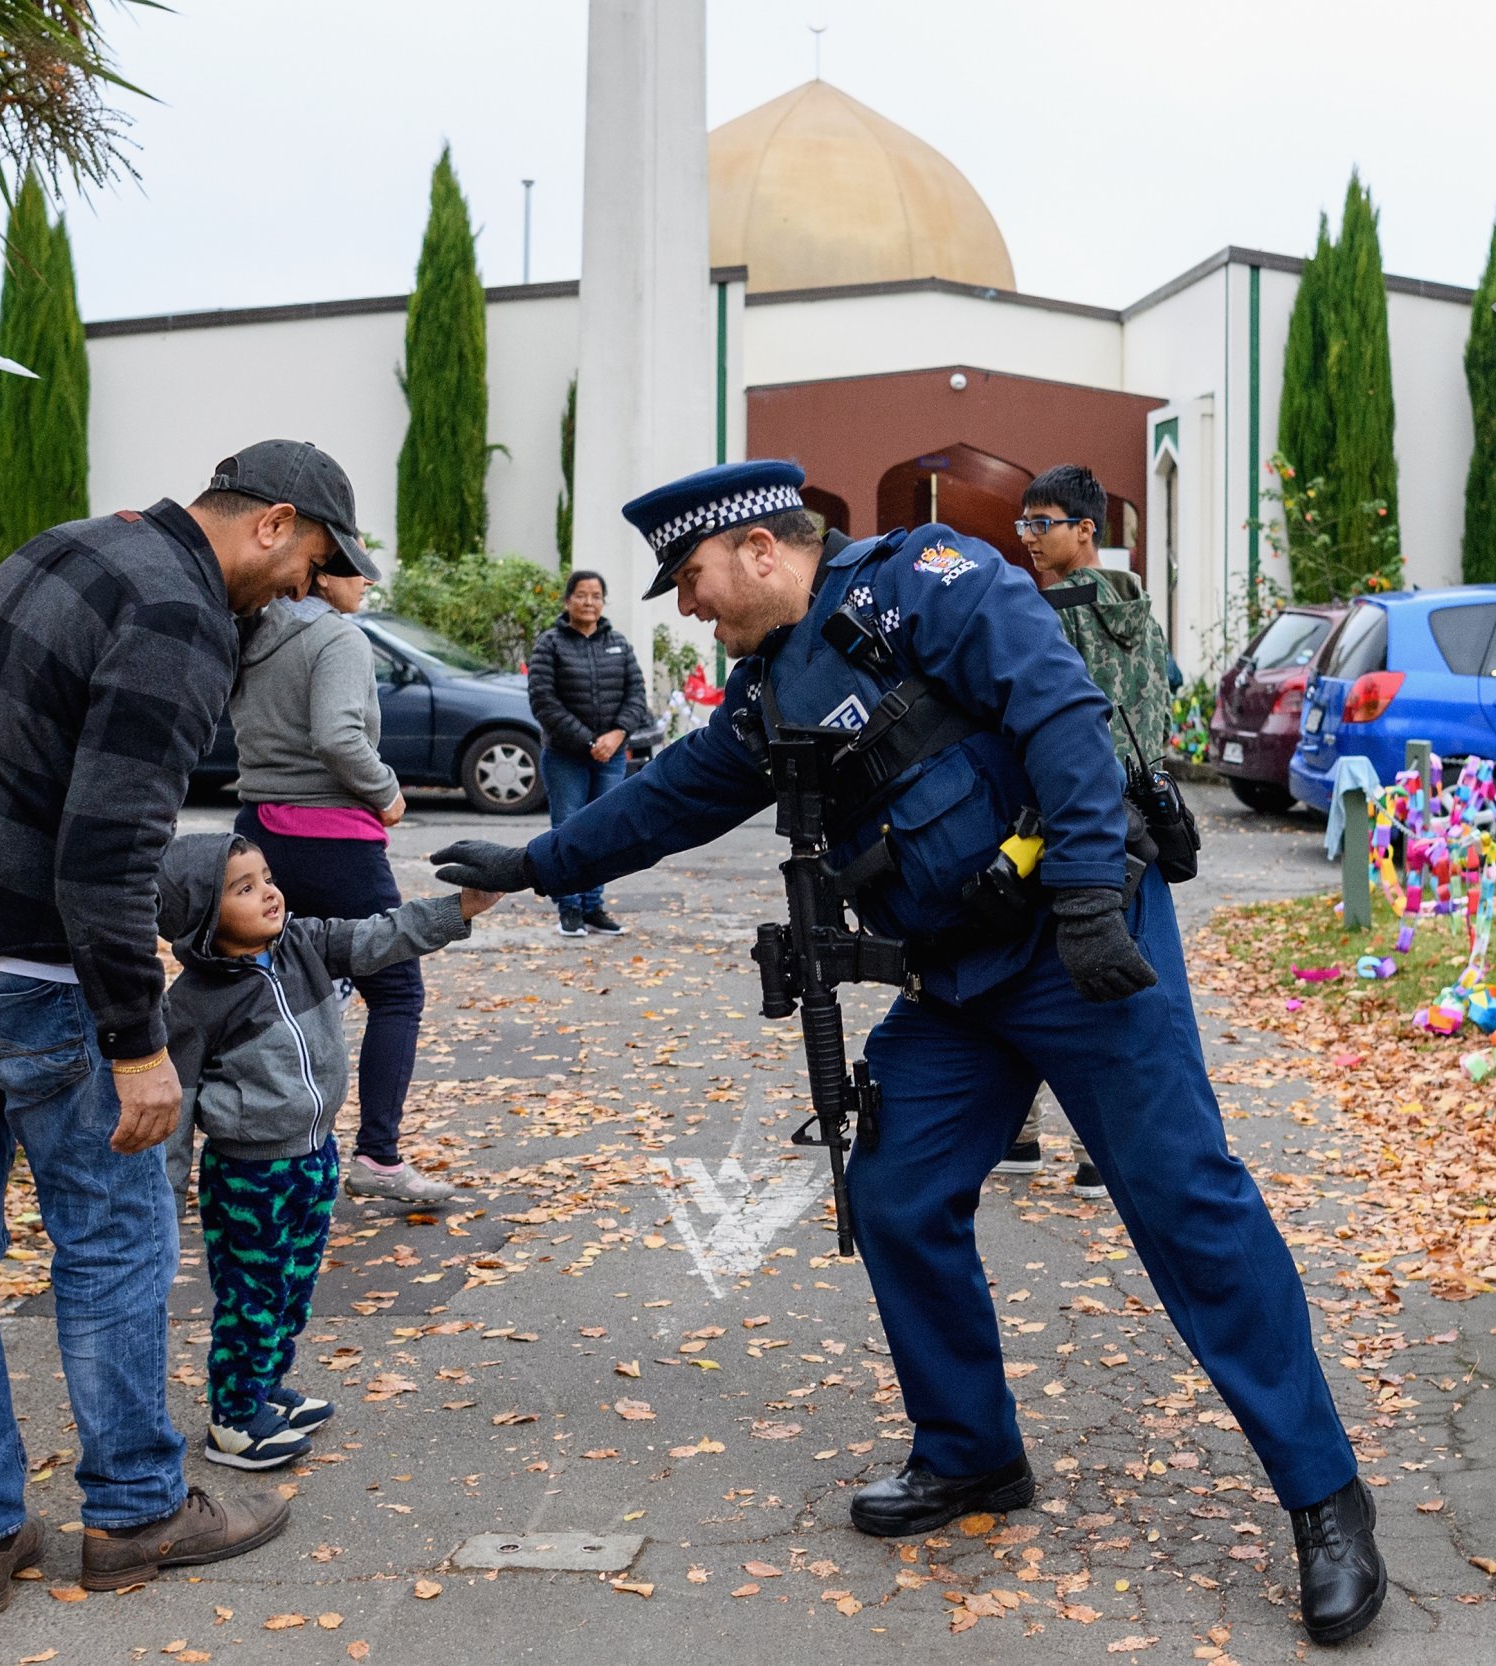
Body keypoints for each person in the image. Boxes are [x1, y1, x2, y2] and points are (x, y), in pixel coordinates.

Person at [429, 461, 1385, 1648]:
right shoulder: (768, 690)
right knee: (894, 1188)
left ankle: (1324, 1495)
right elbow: (668, 799)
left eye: (694, 577)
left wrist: (1091, 893)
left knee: (1186, 1203)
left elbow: (1060, 714)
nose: (689, 605)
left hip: (1078, 943)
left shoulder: (929, 581)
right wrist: (536, 864)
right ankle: (971, 1450)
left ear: (762, 550)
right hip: (956, 978)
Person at [0, 440, 378, 1619]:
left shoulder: (70, 546)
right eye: (310, 562)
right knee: (115, 1236)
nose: (304, 588)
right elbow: (110, 852)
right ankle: (135, 1510)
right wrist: (138, 1045)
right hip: (18, 966)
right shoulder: (179, 615)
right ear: (273, 521)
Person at [156, 832, 497, 1469]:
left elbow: (380, 935)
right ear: (202, 914)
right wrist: (164, 1202)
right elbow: (173, 1111)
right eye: (244, 888)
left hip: (314, 1158)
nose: (269, 893)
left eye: (266, 878)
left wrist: (461, 908)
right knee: (253, 1298)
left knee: (293, 1290)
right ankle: (233, 1419)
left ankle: (265, 1388)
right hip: (249, 1177)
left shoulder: (304, 945)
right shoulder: (194, 1006)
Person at [226, 560, 452, 1205]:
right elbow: (337, 735)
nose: (369, 581)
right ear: (322, 576)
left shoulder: (255, 631)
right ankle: (378, 1157)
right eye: (357, 568)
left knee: (271, 990)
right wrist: (387, 792)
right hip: (331, 838)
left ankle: (255, 1151)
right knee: (397, 990)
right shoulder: (338, 637)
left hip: (259, 833)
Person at [996, 464, 1181, 1199]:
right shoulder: (1142, 608)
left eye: (1043, 524)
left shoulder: (1048, 613)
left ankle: (1023, 1134)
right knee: (1113, 981)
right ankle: (1093, 1150)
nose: (1029, 537)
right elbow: (1164, 698)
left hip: (1067, 821)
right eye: (1024, 523)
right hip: (1142, 828)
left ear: (1085, 530)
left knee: (1031, 973)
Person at [526, 569, 650, 937]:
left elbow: (636, 695)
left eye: (596, 596)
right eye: (581, 595)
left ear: (603, 602)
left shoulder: (619, 643)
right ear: (567, 601)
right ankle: (570, 907)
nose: (589, 602)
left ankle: (593, 906)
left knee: (604, 830)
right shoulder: (550, 644)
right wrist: (588, 742)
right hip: (565, 757)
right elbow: (543, 701)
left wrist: (617, 734)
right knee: (567, 830)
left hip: (611, 755)